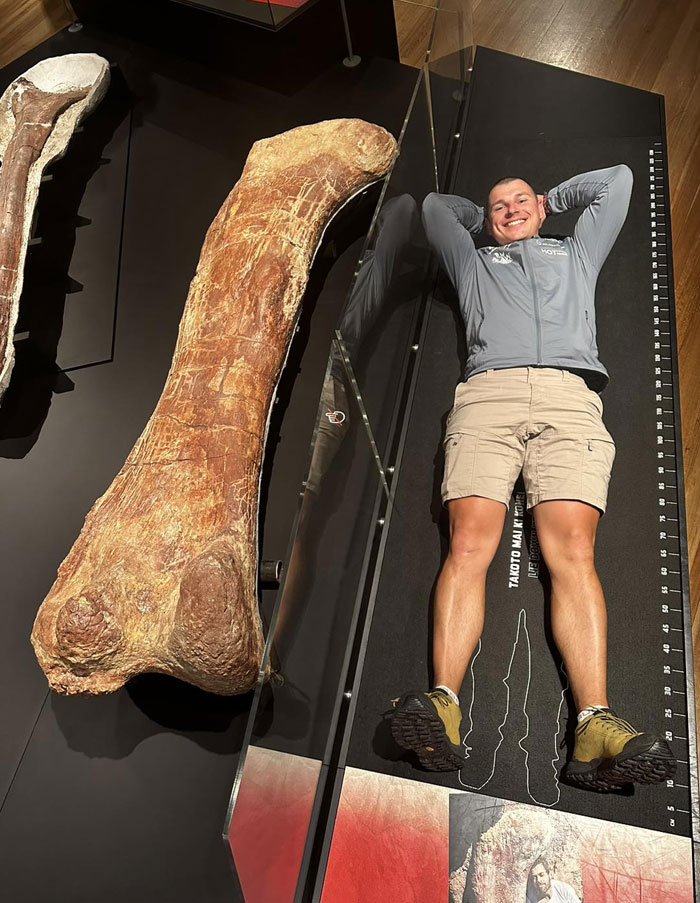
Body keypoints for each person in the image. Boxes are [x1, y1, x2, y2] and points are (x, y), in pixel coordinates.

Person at [389, 166, 677, 791]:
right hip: (487, 394)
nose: (510, 208)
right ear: (488, 221)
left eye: (521, 200)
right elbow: (438, 208)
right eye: (499, 205)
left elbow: (619, 182)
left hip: (569, 397)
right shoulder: (473, 263)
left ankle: (594, 725)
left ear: (542, 209)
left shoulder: (576, 251)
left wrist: (553, 199)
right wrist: (481, 217)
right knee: (467, 546)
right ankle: (443, 705)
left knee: (573, 554)